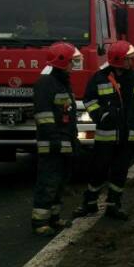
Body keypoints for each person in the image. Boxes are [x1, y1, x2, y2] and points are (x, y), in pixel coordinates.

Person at [74, 40, 134, 220]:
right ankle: (90, 203)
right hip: (106, 137)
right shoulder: (100, 77)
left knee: (120, 172)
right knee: (98, 170)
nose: (131, 62)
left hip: (128, 137)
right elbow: (89, 100)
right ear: (119, 60)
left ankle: (113, 205)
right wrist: (101, 116)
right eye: (128, 59)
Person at [31, 42, 81, 236]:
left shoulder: (62, 81)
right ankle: (39, 222)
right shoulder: (46, 83)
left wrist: (72, 138)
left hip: (64, 139)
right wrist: (54, 140)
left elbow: (67, 113)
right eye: (71, 62)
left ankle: (54, 217)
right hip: (51, 142)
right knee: (49, 180)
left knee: (61, 180)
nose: (73, 65)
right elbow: (44, 115)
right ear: (61, 62)